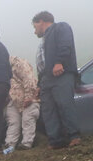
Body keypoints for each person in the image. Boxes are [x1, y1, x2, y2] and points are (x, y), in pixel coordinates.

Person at [33, 11, 80, 148]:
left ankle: (74, 136)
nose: (34, 32)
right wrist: (39, 84)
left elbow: (66, 45)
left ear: (41, 21)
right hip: (46, 78)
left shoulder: (61, 27)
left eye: (34, 27)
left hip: (61, 73)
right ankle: (55, 140)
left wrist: (59, 62)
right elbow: (42, 64)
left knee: (65, 104)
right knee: (48, 110)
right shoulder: (44, 40)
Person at [5, 56, 41, 149]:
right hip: (13, 99)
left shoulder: (18, 63)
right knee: (13, 121)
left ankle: (27, 143)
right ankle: (9, 145)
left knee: (28, 118)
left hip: (28, 97)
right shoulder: (1, 69)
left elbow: (28, 78)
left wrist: (29, 97)